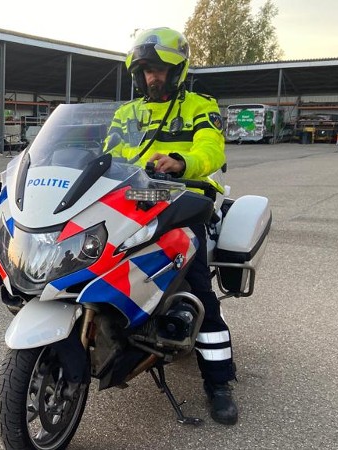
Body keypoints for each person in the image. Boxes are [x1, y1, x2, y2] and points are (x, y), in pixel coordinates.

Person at [104, 28, 237, 425]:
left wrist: (180, 161)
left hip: (185, 202)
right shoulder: (126, 113)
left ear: (177, 71)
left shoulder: (199, 105)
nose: (152, 77)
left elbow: (211, 149)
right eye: (145, 70)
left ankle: (218, 382)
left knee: (196, 284)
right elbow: (106, 153)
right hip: (134, 200)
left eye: (160, 69)